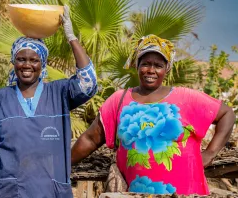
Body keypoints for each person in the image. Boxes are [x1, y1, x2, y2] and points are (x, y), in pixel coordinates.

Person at [71, 34, 236, 195]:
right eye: (145, 64)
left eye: (158, 65)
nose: (151, 70)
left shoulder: (187, 98)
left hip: (186, 191)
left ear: (166, 69)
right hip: (135, 192)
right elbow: (91, 139)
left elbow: (227, 114)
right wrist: (61, 165)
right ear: (137, 65)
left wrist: (210, 153)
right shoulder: (118, 100)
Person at [0, 6, 97, 197]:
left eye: (34, 60)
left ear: (42, 64)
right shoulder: (1, 98)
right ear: (14, 63)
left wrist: (71, 37)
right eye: (21, 59)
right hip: (10, 191)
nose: (27, 65)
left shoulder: (59, 92)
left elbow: (89, 84)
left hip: (51, 190)